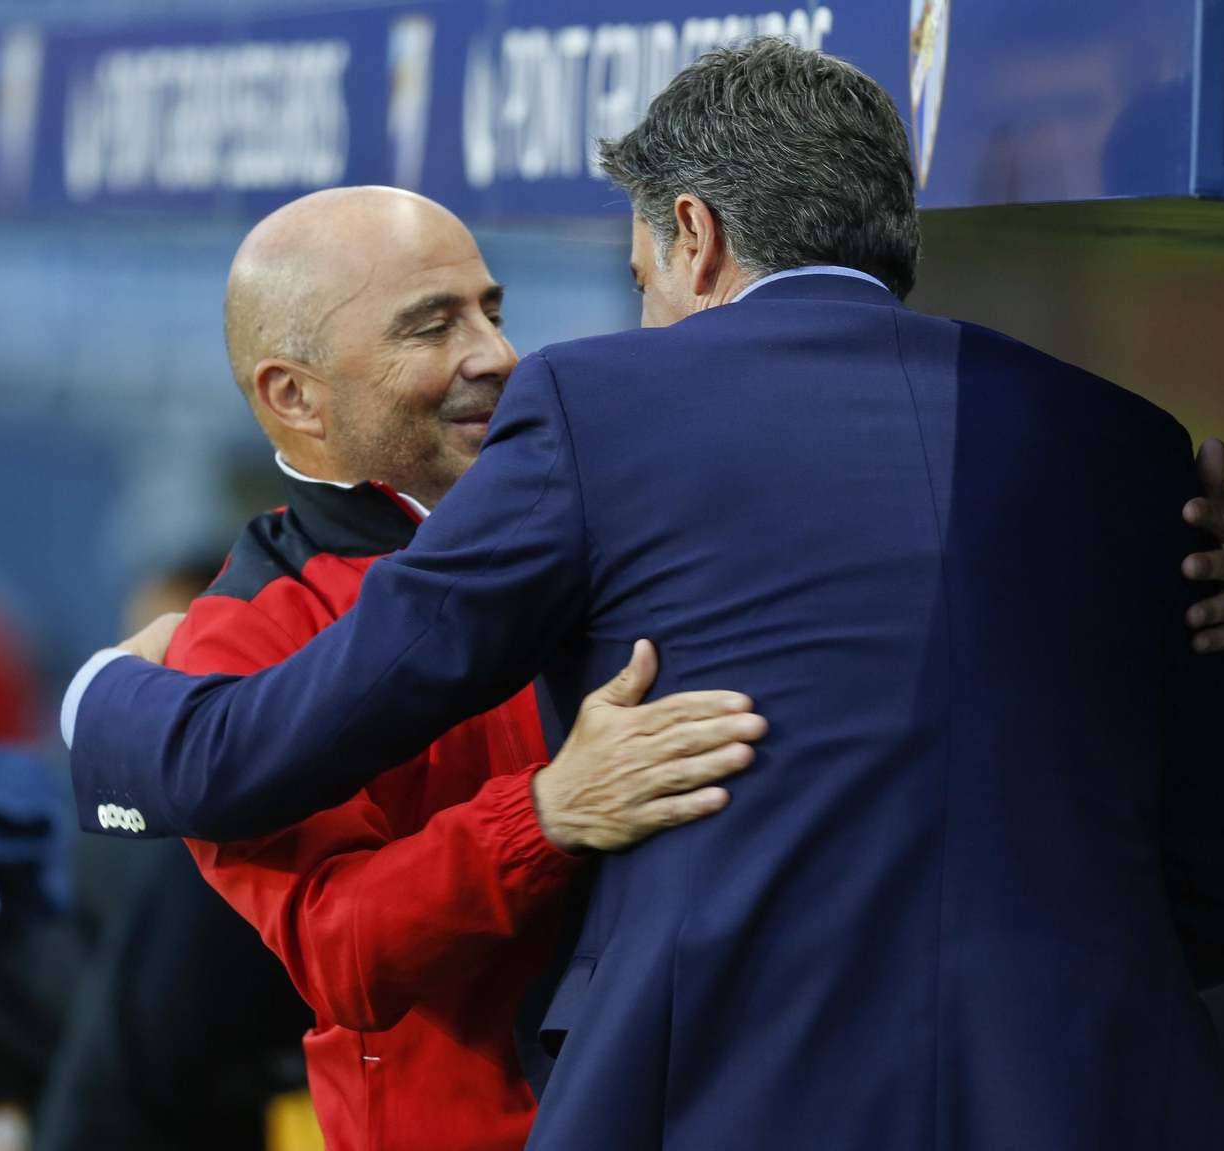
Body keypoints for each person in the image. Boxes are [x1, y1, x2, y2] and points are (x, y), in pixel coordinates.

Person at [64, 40, 1224, 1150]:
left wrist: (99, 698)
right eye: (433, 322)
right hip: (1094, 1092)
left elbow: (237, 757)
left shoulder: (606, 421)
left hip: (730, 1095)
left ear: (695, 237)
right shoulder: (1128, 445)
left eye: (635, 272)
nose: (500, 353)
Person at [104, 186, 775, 1150]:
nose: (495, 355)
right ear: (294, 395)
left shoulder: (604, 520)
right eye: (432, 326)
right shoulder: (245, 636)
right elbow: (341, 950)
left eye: (491, 310)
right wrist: (548, 815)